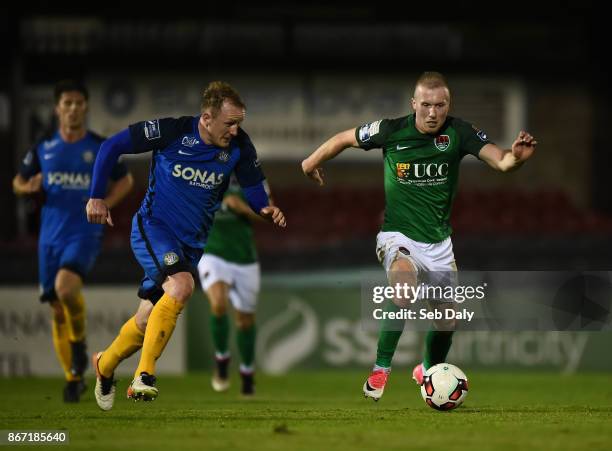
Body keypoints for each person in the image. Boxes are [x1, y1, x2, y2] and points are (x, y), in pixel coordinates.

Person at [301, 71, 536, 401]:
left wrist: (516, 159)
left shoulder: (459, 132)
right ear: (414, 104)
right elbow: (343, 138)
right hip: (399, 237)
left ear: (448, 104)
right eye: (426, 104)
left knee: (447, 321)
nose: (433, 113)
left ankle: (428, 371)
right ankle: (381, 369)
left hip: (439, 244)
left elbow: (501, 161)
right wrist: (309, 163)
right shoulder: (392, 130)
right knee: (403, 286)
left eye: (440, 105)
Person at [86, 81, 286, 411]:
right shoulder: (171, 131)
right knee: (182, 285)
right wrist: (96, 195)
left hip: (191, 245)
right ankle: (144, 376)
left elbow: (253, 189)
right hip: (153, 227)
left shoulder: (239, 146)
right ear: (207, 118)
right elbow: (110, 146)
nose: (235, 131)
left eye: (239, 123)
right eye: (230, 123)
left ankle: (104, 365)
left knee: (145, 319)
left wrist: (264, 208)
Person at [12, 80, 133, 402]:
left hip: (84, 232)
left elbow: (126, 180)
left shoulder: (100, 147)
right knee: (56, 308)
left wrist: (104, 202)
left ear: (86, 107)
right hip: (49, 237)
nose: (73, 108)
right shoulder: (43, 148)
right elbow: (18, 182)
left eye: (79, 103)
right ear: (58, 109)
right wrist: (28, 187)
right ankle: (73, 376)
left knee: (66, 288)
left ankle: (79, 345)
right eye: (67, 103)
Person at [197, 176, 272, 396]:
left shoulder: (250, 174)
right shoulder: (202, 170)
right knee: (218, 304)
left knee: (245, 321)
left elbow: (269, 213)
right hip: (212, 252)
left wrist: (243, 208)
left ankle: (247, 373)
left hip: (244, 257)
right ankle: (221, 358)